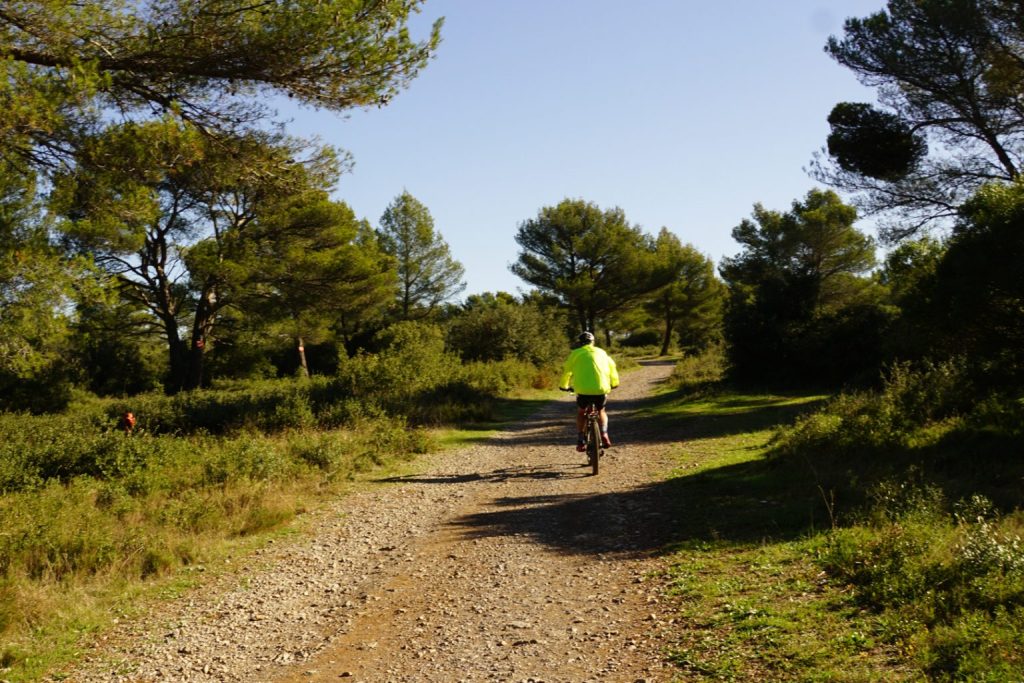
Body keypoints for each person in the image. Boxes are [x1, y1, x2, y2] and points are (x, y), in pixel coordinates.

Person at [559, 331, 619, 451]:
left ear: (580, 343)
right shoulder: (602, 353)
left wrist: (564, 386)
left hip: (583, 390)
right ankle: (604, 433)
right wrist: (614, 383)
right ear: (593, 342)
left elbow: (567, 371)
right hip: (601, 389)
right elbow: (612, 367)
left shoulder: (575, 354)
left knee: (581, 412)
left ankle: (581, 439)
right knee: (601, 410)